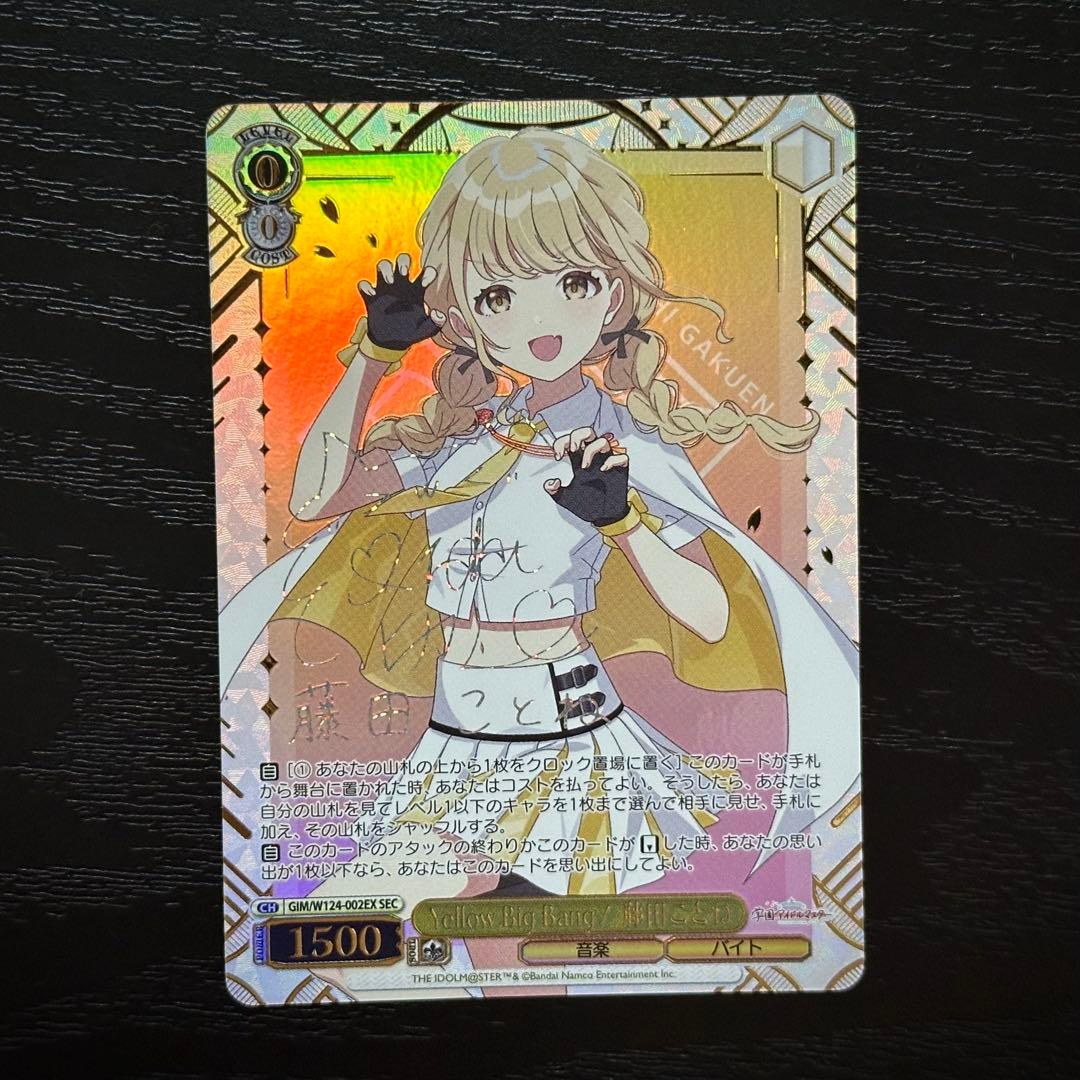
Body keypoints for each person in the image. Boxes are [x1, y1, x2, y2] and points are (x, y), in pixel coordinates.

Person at [219, 128, 860, 898]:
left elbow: (711, 615)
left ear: (613, 293)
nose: (540, 318)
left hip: (564, 737)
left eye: (574, 281)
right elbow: (315, 498)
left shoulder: (627, 442)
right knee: (414, 924)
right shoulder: (463, 437)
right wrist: (373, 356)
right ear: (463, 316)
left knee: (423, 912)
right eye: (499, 296)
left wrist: (622, 523)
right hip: (457, 735)